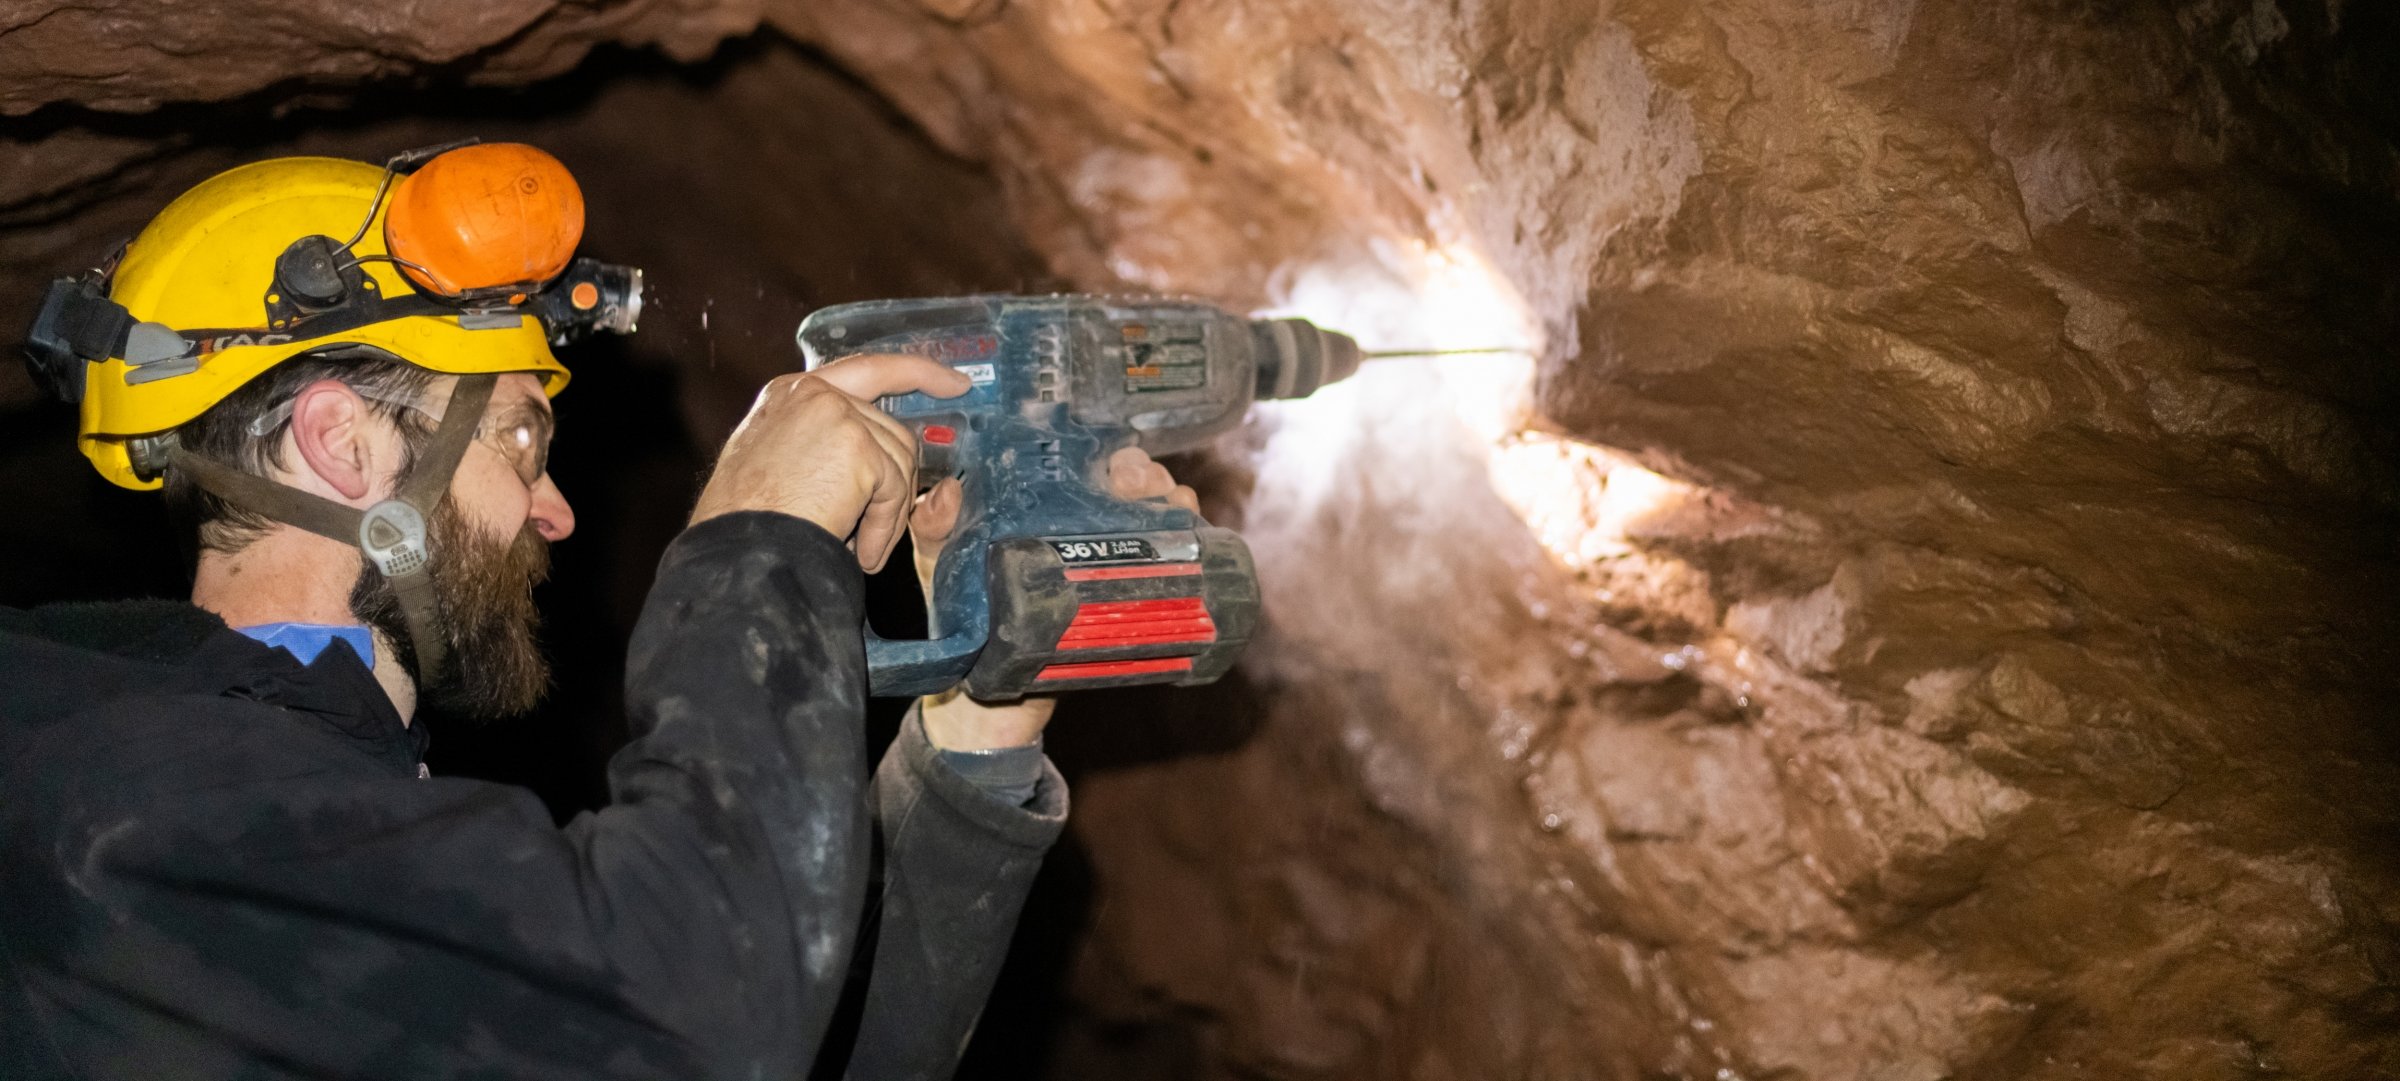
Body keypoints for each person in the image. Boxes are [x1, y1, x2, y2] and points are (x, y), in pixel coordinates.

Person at [0, 144, 1197, 1080]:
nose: (557, 508)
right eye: (520, 434)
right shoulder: (123, 795)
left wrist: (976, 718)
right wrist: (757, 537)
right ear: (342, 442)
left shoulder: (311, 813)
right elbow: (704, 1021)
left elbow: (784, 1034)